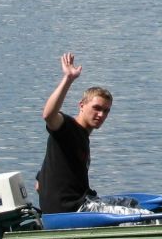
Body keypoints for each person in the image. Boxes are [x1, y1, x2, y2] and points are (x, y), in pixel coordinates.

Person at [35, 52, 113, 214]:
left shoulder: (82, 137)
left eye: (106, 111)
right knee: (141, 216)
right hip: (72, 210)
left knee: (134, 203)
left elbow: (39, 185)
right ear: (82, 105)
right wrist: (68, 79)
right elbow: (48, 115)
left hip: (82, 204)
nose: (101, 115)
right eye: (97, 108)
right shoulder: (68, 128)